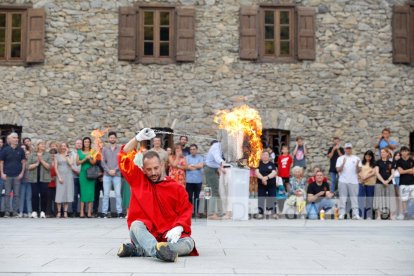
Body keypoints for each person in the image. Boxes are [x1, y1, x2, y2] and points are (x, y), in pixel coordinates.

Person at [117, 128, 198, 262]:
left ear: (162, 165)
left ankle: (140, 250)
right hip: (148, 234)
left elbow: (186, 211)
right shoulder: (138, 180)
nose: (153, 172)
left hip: (169, 235)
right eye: (148, 169)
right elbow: (123, 156)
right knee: (136, 225)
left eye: (156, 168)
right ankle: (157, 251)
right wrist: (137, 138)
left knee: (189, 243)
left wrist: (179, 226)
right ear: (143, 169)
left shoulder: (176, 187)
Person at [0, 133, 26, 217]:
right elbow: (1, 162)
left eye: (17, 138)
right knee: (7, 194)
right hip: (7, 175)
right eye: (14, 138)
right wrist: (2, 173)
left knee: (16, 194)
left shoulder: (21, 150)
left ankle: (15, 212)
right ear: (10, 139)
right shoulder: (5, 150)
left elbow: (24, 162)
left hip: (17, 176)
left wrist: (22, 173)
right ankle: (7, 212)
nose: (16, 139)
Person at [336, 143, 362, 220]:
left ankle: (355, 214)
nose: (348, 150)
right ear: (344, 149)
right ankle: (342, 214)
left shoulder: (356, 158)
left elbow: (359, 170)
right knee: (342, 198)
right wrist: (343, 163)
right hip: (343, 180)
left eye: (349, 148)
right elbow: (338, 169)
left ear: (351, 149)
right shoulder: (340, 158)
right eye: (347, 148)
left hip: (353, 181)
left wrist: (357, 165)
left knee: (354, 198)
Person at [101, 132, 123, 218]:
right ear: (108, 139)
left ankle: (119, 212)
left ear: (116, 139)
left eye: (113, 138)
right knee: (106, 194)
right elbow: (102, 162)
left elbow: (121, 161)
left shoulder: (120, 149)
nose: (112, 139)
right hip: (107, 174)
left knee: (118, 194)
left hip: (117, 174)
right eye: (110, 138)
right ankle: (104, 212)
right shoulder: (105, 149)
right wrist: (108, 170)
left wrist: (115, 170)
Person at [27, 140, 51, 219]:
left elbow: (49, 167)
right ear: (38, 146)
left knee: (44, 195)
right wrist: (36, 164)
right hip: (34, 178)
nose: (43, 145)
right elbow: (28, 167)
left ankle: (43, 212)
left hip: (44, 178)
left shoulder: (47, 155)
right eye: (42, 144)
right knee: (34, 194)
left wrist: (42, 161)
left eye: (44, 144)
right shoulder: (32, 155)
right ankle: (34, 211)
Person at [204, 140, 225, 220]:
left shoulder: (219, 147)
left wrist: (220, 167)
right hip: (210, 170)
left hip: (213, 169)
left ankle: (220, 212)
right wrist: (223, 163)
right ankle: (211, 214)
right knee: (213, 191)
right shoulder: (216, 147)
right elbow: (217, 158)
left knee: (215, 191)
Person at [374, 148, 396, 220]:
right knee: (378, 199)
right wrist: (383, 181)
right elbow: (377, 173)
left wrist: (388, 180)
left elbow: (393, 173)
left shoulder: (391, 163)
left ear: (387, 153)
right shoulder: (377, 162)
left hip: (389, 184)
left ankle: (391, 215)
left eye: (384, 152)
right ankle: (378, 215)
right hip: (379, 183)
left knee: (390, 199)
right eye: (381, 152)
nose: (382, 153)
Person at [76, 137, 96, 218]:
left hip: (91, 174)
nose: (86, 143)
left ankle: (89, 212)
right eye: (85, 142)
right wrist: (85, 158)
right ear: (83, 143)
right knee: (83, 192)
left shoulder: (93, 151)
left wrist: (90, 158)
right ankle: (81, 212)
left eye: (88, 142)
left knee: (90, 192)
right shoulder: (79, 151)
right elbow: (77, 163)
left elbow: (94, 162)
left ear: (90, 143)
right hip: (83, 173)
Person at [255, 151, 277, 219]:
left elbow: (274, 173)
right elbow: (257, 172)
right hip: (262, 184)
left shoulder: (272, 164)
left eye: (266, 155)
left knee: (272, 198)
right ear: (261, 156)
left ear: (269, 157)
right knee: (261, 198)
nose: (265, 156)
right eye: (263, 155)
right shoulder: (258, 164)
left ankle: (274, 213)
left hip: (271, 185)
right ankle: (260, 213)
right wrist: (263, 179)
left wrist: (266, 178)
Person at [54, 142, 74, 218]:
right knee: (59, 193)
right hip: (60, 175)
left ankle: (65, 212)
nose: (63, 147)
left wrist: (66, 155)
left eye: (65, 146)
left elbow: (71, 163)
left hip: (68, 175)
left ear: (67, 147)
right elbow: (56, 167)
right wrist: (59, 177)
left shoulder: (70, 155)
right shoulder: (57, 156)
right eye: (62, 146)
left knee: (67, 193)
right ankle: (59, 211)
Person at [185, 144, 204, 216]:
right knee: (189, 197)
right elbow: (186, 166)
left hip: (198, 181)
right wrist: (196, 166)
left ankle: (196, 212)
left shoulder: (200, 157)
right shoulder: (186, 157)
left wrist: (192, 165)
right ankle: (190, 213)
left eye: (194, 149)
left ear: (196, 150)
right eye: (191, 149)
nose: (192, 151)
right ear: (190, 150)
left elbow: (201, 165)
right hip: (189, 181)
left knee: (197, 197)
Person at [396, 146, 414, 219]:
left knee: (413, 198)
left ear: (408, 152)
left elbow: (413, 171)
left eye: (405, 151)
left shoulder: (412, 160)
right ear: (401, 152)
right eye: (402, 151)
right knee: (404, 199)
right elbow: (400, 172)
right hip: (403, 183)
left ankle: (412, 213)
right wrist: (409, 170)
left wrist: (405, 171)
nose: (404, 152)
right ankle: (405, 213)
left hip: (412, 183)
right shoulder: (399, 161)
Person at [358, 150, 377, 219]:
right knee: (361, 199)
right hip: (362, 183)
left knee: (369, 200)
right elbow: (358, 171)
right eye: (366, 156)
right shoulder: (361, 163)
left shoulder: (374, 164)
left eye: (369, 156)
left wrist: (365, 177)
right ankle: (361, 215)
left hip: (370, 184)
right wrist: (362, 177)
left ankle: (369, 215)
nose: (367, 157)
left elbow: (374, 172)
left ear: (371, 157)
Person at [18, 145, 32, 218]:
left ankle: (29, 212)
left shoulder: (32, 162)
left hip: (30, 182)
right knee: (21, 197)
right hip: (22, 181)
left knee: (28, 197)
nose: (27, 155)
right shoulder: (21, 161)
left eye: (28, 154)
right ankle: (20, 212)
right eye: (26, 154)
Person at [70, 139, 82, 217]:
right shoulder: (71, 153)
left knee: (83, 195)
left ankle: (82, 211)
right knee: (74, 195)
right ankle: (74, 211)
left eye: (80, 143)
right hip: (74, 176)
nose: (79, 145)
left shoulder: (84, 153)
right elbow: (70, 165)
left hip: (83, 177)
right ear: (75, 145)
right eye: (77, 143)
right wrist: (75, 171)